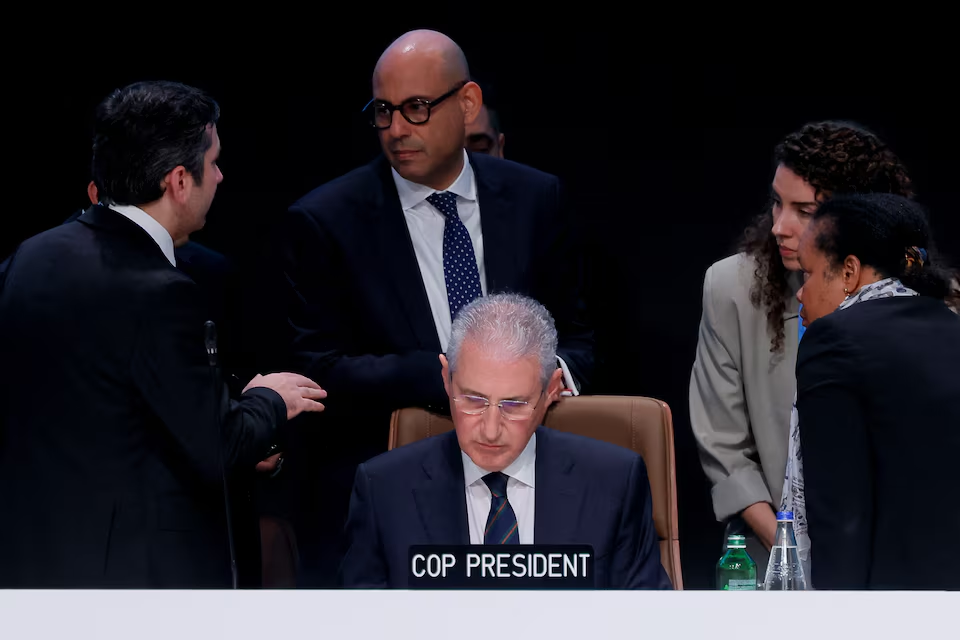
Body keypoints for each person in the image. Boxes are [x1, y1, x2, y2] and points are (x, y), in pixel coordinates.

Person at [279, 29, 593, 586]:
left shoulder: (536, 200)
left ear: (467, 103)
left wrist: (550, 378)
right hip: (388, 497)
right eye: (383, 111)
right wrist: (452, 378)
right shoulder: (326, 221)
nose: (396, 130)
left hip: (525, 488)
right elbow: (319, 370)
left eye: (416, 109)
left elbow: (578, 334)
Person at [0, 80, 327, 589]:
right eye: (214, 162)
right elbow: (216, 446)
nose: (220, 176)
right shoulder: (160, 291)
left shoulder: (30, 257)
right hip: (131, 581)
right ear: (178, 180)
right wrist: (269, 400)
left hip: (32, 565)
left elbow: (104, 408)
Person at [688, 121, 914, 574]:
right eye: (777, 203)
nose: (779, 226)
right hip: (772, 550)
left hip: (897, 556)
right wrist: (792, 555)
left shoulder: (923, 306)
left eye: (805, 210)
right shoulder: (732, 288)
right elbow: (726, 451)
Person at [339, 293, 670, 589]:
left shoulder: (614, 483)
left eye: (514, 405)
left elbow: (645, 621)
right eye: (472, 400)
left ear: (552, 389)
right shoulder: (382, 489)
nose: (491, 429)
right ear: (446, 379)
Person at [792, 193, 960, 589]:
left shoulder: (832, 338)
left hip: (887, 609)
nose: (801, 293)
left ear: (849, 271)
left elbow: (839, 515)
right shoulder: (952, 328)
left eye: (808, 274)